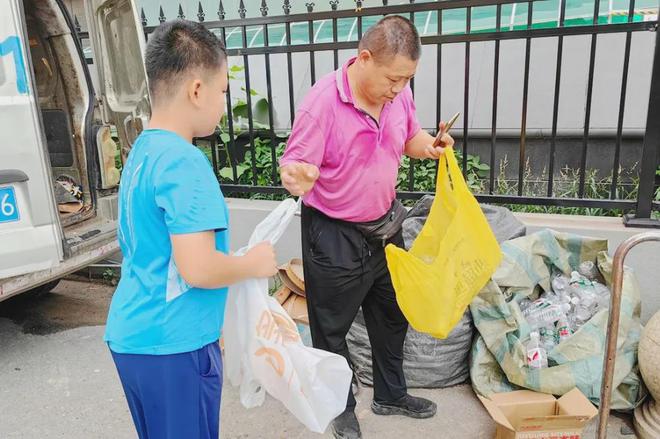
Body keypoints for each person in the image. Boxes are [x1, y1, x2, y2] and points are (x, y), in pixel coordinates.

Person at [279, 15, 455, 439]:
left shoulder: (399, 94)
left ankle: (391, 394)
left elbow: (409, 137)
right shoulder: (322, 103)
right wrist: (296, 176)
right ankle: (340, 408)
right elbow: (293, 167)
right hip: (335, 233)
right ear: (364, 59)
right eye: (393, 79)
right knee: (332, 330)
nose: (399, 89)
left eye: (407, 79)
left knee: (393, 314)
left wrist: (429, 146)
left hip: (385, 226)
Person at [104, 20, 278, 439]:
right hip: (171, 344)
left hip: (136, 336)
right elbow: (197, 268)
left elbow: (156, 250)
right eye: (222, 91)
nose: (223, 102)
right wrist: (254, 263)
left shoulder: (144, 149)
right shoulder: (184, 162)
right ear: (196, 90)